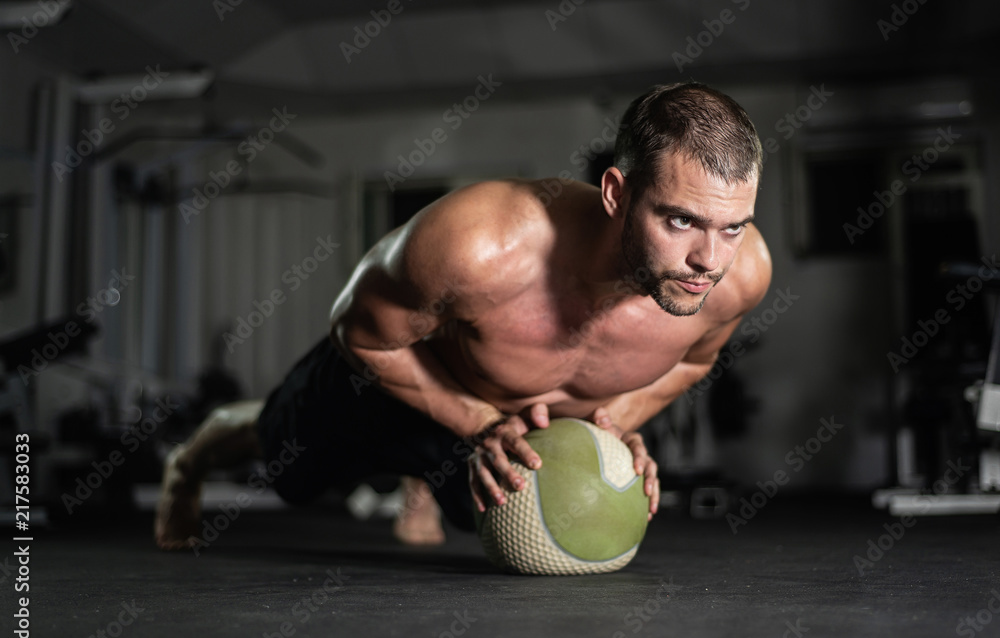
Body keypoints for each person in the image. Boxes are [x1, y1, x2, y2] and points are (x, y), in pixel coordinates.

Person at [155, 82, 772, 549]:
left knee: (484, 520)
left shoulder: (739, 277)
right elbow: (357, 331)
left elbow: (697, 359)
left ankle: (423, 479)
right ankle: (188, 463)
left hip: (508, 427)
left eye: (733, 227)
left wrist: (618, 420)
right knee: (288, 465)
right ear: (616, 193)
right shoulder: (480, 243)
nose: (707, 260)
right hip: (391, 381)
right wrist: (475, 420)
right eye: (681, 221)